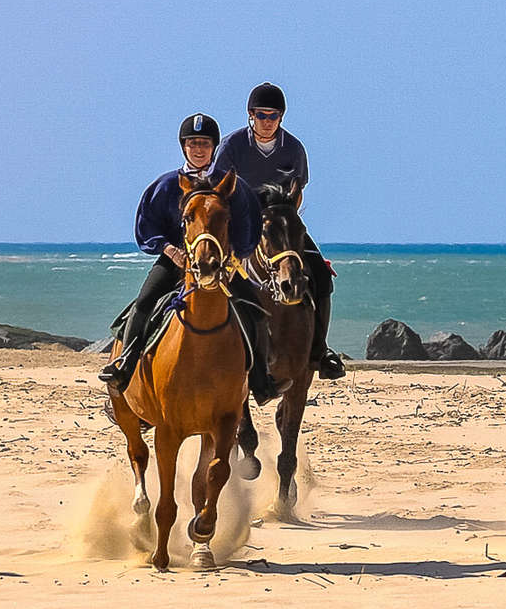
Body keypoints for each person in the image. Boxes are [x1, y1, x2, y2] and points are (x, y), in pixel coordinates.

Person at [99, 115, 276, 403]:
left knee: (254, 310)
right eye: (193, 143)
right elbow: (148, 226)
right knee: (144, 303)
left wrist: (235, 258)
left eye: (204, 144)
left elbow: (248, 226)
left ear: (213, 147)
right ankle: (125, 366)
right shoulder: (166, 185)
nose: (198, 149)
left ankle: (260, 381)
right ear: (184, 147)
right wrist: (170, 250)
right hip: (176, 261)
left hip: (223, 265)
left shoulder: (233, 185)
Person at [214, 82, 346, 381]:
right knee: (211, 272)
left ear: (281, 117)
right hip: (242, 223)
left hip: (282, 223)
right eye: (262, 115)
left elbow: (297, 192)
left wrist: (287, 222)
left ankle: (320, 351)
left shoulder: (294, 149)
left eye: (274, 115)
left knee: (321, 275)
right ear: (251, 115)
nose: (268, 121)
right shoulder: (231, 146)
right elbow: (221, 192)